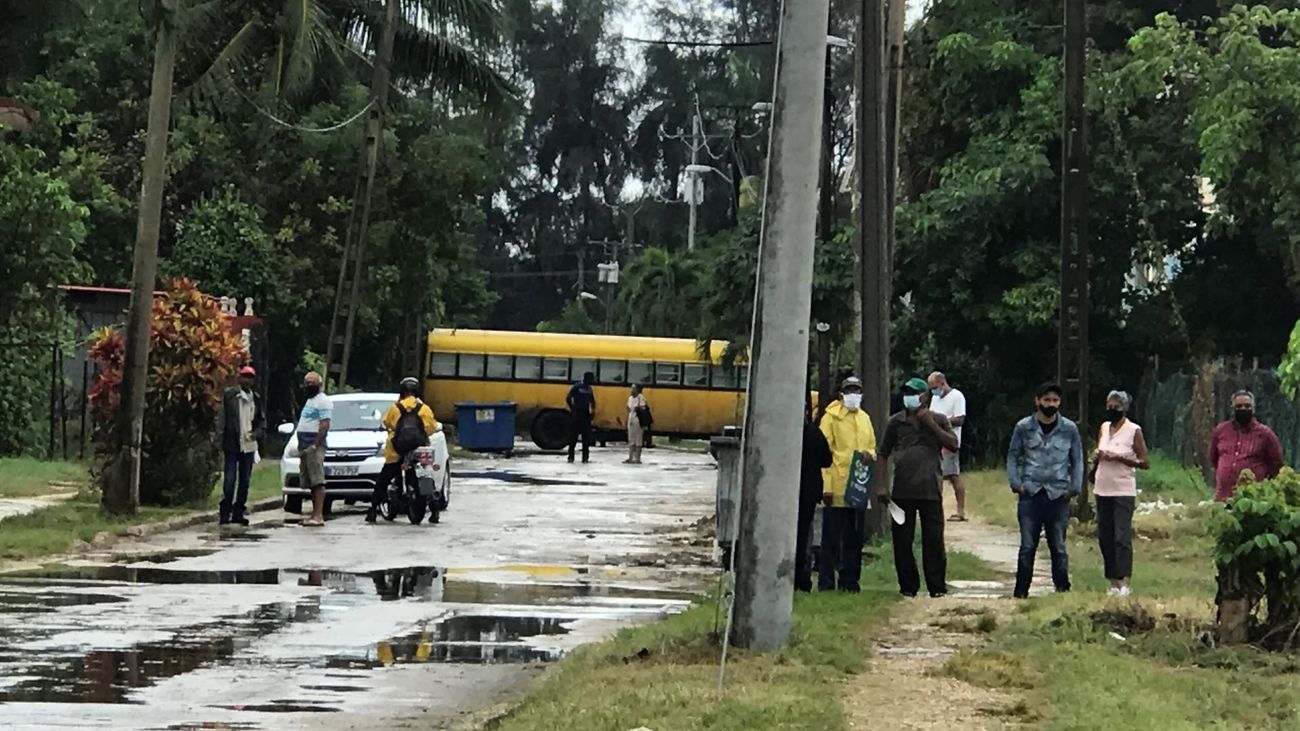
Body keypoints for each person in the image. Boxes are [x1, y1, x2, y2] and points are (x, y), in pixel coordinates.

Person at [881, 377, 960, 598]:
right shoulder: (896, 422)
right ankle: (908, 586)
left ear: (925, 396)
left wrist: (930, 423)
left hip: (930, 490)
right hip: (902, 490)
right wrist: (881, 485)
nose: (910, 396)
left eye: (914, 392)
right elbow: (882, 453)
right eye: (906, 392)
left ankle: (936, 586)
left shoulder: (939, 419)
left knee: (933, 539)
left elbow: (953, 445)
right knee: (902, 541)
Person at [1006, 382, 1084, 598]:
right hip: (1031, 493)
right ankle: (1021, 592)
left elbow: (1077, 459)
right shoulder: (1023, 427)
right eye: (1047, 400)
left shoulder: (1069, 429)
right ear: (1037, 401)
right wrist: (1016, 484)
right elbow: (1013, 456)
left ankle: (1062, 590)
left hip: (1058, 495)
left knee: (1058, 547)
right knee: (1027, 546)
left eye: (1055, 400)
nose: (1051, 404)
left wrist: (1073, 488)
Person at [818, 376, 877, 593]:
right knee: (831, 539)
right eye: (850, 390)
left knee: (854, 538)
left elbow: (872, 446)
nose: (854, 394)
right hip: (836, 486)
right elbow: (824, 454)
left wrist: (869, 455)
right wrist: (826, 487)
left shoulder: (864, 419)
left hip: (858, 487)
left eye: (857, 390)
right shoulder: (830, 418)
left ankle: (850, 582)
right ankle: (826, 582)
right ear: (841, 394)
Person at [1092, 390, 1150, 597]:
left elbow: (1145, 462)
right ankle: (1112, 581)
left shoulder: (1134, 430)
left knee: (1121, 536)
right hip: (1102, 487)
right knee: (1105, 536)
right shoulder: (1104, 428)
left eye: (1116, 407)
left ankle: (1125, 581)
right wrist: (1097, 457)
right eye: (1109, 406)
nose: (1111, 410)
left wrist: (1119, 458)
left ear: (1124, 408)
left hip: (1123, 489)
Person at [366, 377, 440, 523]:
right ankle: (434, 510)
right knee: (427, 476)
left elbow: (387, 423)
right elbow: (431, 427)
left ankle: (373, 509)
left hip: (396, 450)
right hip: (420, 449)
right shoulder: (424, 408)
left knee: (384, 478)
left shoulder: (395, 408)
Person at [1207, 390, 1284, 502]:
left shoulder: (1265, 434)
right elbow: (1213, 458)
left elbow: (1276, 465)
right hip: (1223, 497)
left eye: (1247, 406)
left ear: (1253, 409)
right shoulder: (1221, 430)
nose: (1243, 409)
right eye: (1239, 406)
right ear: (1232, 409)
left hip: (1252, 500)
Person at [216, 365, 265, 526]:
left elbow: (261, 421)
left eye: (250, 377)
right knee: (229, 480)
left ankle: (238, 512)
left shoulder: (256, 398)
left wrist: (256, 433)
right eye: (244, 376)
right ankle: (225, 513)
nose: (247, 380)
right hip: (232, 443)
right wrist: (219, 439)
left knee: (245, 480)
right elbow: (222, 418)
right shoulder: (230, 396)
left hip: (249, 444)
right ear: (239, 378)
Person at [798, 395, 833, 592]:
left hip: (786, 494)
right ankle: (803, 580)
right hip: (809, 493)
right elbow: (827, 461)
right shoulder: (814, 433)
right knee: (804, 536)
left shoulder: (783, 433)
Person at [927, 371, 969, 522]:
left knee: (952, 475)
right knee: (935, 475)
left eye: (935, 387)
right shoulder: (935, 398)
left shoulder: (957, 396)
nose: (933, 390)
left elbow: (960, 419)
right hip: (935, 441)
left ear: (943, 383)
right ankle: (937, 508)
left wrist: (943, 423)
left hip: (950, 441)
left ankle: (961, 510)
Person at [296, 371, 332, 527]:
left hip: (313, 445)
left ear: (320, 384)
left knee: (317, 480)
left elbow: (324, 425)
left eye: (312, 383)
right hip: (304, 444)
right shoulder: (310, 400)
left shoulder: (323, 401)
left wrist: (315, 444)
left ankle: (318, 515)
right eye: (307, 383)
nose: (309, 386)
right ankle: (313, 514)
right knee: (310, 481)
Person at [567, 371, 597, 463]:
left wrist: (592, 411)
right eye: (591, 379)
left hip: (585, 414)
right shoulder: (577, 387)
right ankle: (571, 456)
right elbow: (568, 398)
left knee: (586, 438)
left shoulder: (589, 389)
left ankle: (585, 457)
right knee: (573, 437)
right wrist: (573, 408)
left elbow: (592, 401)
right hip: (577, 414)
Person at [625, 384, 649, 464]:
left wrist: (637, 408)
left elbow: (643, 408)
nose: (632, 390)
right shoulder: (630, 398)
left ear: (638, 390)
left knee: (638, 439)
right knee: (631, 439)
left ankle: (637, 458)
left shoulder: (640, 398)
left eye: (634, 388)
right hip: (631, 420)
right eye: (631, 388)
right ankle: (630, 457)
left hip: (638, 420)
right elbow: (628, 408)